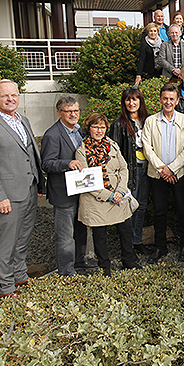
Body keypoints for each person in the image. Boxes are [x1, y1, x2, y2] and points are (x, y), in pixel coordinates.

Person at [0, 79, 45, 297]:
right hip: (8, 196)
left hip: (29, 189)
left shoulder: (23, 120)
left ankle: (20, 276)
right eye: (4, 96)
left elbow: (31, 154)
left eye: (14, 95)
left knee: (24, 237)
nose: (10, 99)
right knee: (7, 242)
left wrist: (39, 183)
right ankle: (5, 286)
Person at [76, 113, 141, 276]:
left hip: (118, 194)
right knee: (100, 235)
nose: (99, 131)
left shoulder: (112, 145)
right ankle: (105, 266)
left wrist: (119, 190)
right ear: (88, 128)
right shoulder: (81, 151)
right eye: (95, 127)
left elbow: (123, 168)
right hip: (96, 199)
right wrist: (108, 195)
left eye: (102, 127)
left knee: (125, 230)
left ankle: (129, 260)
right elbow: (86, 181)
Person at [142, 84, 184, 263]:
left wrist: (171, 169)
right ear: (160, 99)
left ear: (177, 100)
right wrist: (162, 169)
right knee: (159, 211)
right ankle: (160, 247)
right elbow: (146, 147)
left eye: (172, 99)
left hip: (178, 174)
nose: (168, 102)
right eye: (165, 98)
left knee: (183, 210)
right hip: (157, 174)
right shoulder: (150, 121)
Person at [41, 96, 88, 276]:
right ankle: (67, 271)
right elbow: (46, 163)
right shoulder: (52, 134)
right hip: (63, 192)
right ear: (59, 113)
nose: (73, 114)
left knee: (81, 228)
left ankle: (80, 262)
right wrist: (67, 163)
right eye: (68, 111)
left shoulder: (78, 131)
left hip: (80, 189)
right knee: (65, 235)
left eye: (76, 110)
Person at [108, 87, 152, 255]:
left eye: (135, 99)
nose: (131, 103)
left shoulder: (148, 120)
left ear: (140, 101)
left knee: (141, 206)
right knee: (128, 208)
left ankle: (137, 240)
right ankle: (127, 246)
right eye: (128, 99)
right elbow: (114, 153)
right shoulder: (118, 124)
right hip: (129, 172)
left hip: (146, 169)